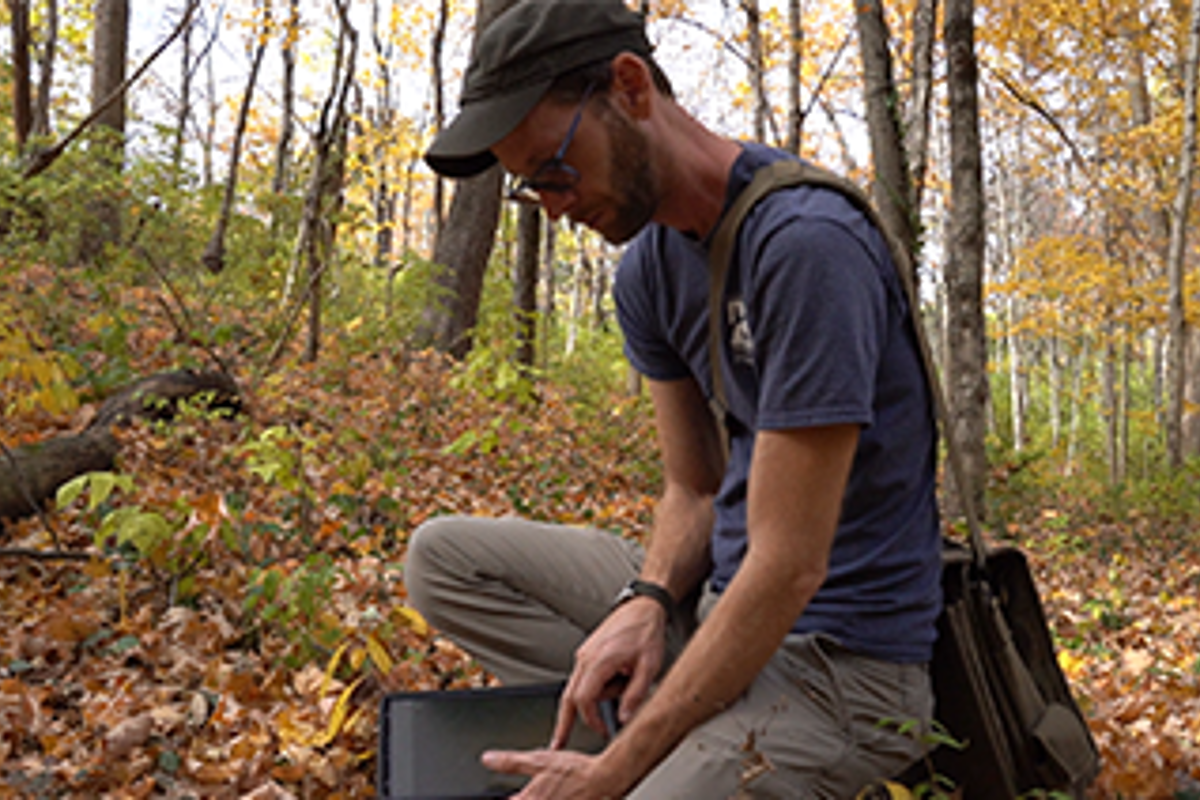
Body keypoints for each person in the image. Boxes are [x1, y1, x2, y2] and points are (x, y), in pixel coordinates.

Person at [406, 1, 943, 797]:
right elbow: (692, 488)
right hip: (718, 603)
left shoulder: (804, 246)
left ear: (629, 89)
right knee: (442, 558)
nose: (552, 205)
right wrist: (647, 599)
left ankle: (657, 743)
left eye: (555, 171)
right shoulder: (647, 271)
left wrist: (616, 774)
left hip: (842, 665)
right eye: (530, 188)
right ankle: (673, 718)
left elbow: (791, 566)